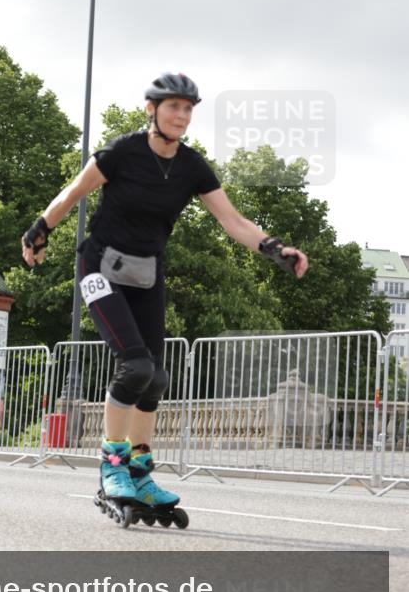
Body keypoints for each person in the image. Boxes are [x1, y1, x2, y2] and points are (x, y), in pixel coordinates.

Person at [21, 72, 308, 511]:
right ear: (151, 108)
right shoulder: (121, 152)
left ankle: (140, 474)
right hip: (99, 266)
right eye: (174, 106)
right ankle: (112, 465)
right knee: (134, 367)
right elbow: (73, 192)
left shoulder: (191, 166)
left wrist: (274, 248)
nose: (182, 115)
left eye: (189, 109)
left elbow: (233, 221)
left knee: (155, 377)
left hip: (146, 274)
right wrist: (40, 229)